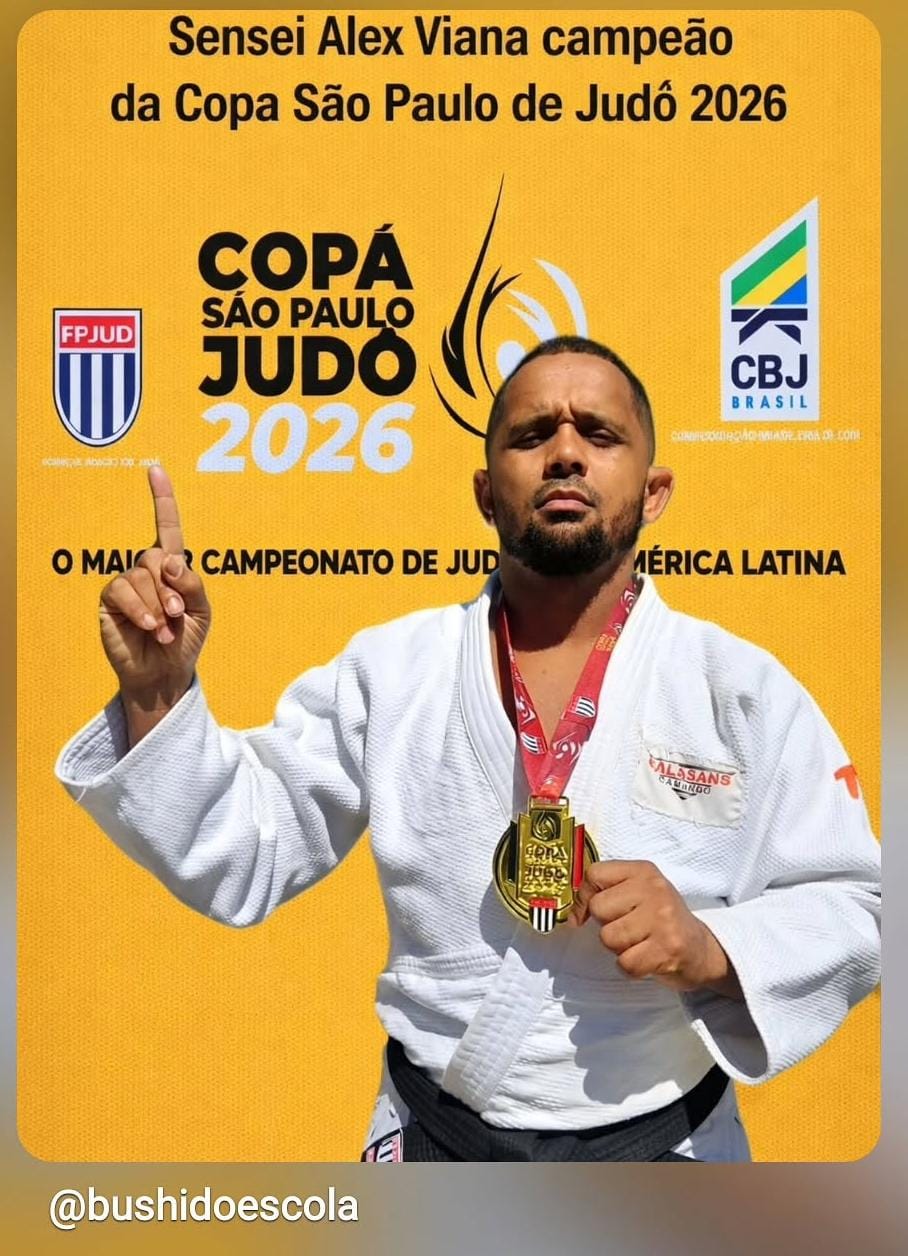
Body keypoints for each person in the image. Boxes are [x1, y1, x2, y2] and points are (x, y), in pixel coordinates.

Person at [56, 335, 881, 1162]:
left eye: (599, 434)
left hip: (667, 1143)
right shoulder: (393, 672)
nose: (566, 453)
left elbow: (858, 902)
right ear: (486, 493)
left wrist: (712, 948)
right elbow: (247, 848)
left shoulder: (737, 688)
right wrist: (157, 695)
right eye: (532, 435)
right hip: (438, 1137)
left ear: (654, 491)